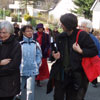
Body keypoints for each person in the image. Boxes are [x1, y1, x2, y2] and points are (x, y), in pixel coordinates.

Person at [47, 13, 98, 100]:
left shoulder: (82, 35)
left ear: (68, 24)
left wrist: (81, 51)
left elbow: (94, 51)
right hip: (61, 74)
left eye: (62, 23)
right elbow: (53, 52)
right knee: (57, 97)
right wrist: (53, 56)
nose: (61, 25)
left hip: (76, 75)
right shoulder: (60, 37)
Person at [18, 25, 42, 100]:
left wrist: (36, 64)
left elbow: (39, 55)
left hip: (32, 70)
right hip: (21, 70)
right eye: (27, 31)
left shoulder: (35, 44)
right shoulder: (19, 44)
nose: (30, 32)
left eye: (31, 31)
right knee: (19, 90)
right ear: (23, 33)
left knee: (30, 91)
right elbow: (16, 57)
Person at [0, 21, 21, 100]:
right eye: (0, 32)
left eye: (4, 32)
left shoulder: (16, 45)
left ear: (10, 32)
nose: (2, 35)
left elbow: (13, 66)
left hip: (8, 86)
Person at [80, 19, 100, 87]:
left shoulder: (92, 38)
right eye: (80, 26)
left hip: (89, 63)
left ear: (89, 29)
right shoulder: (80, 36)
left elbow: (97, 51)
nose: (81, 28)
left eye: (83, 27)